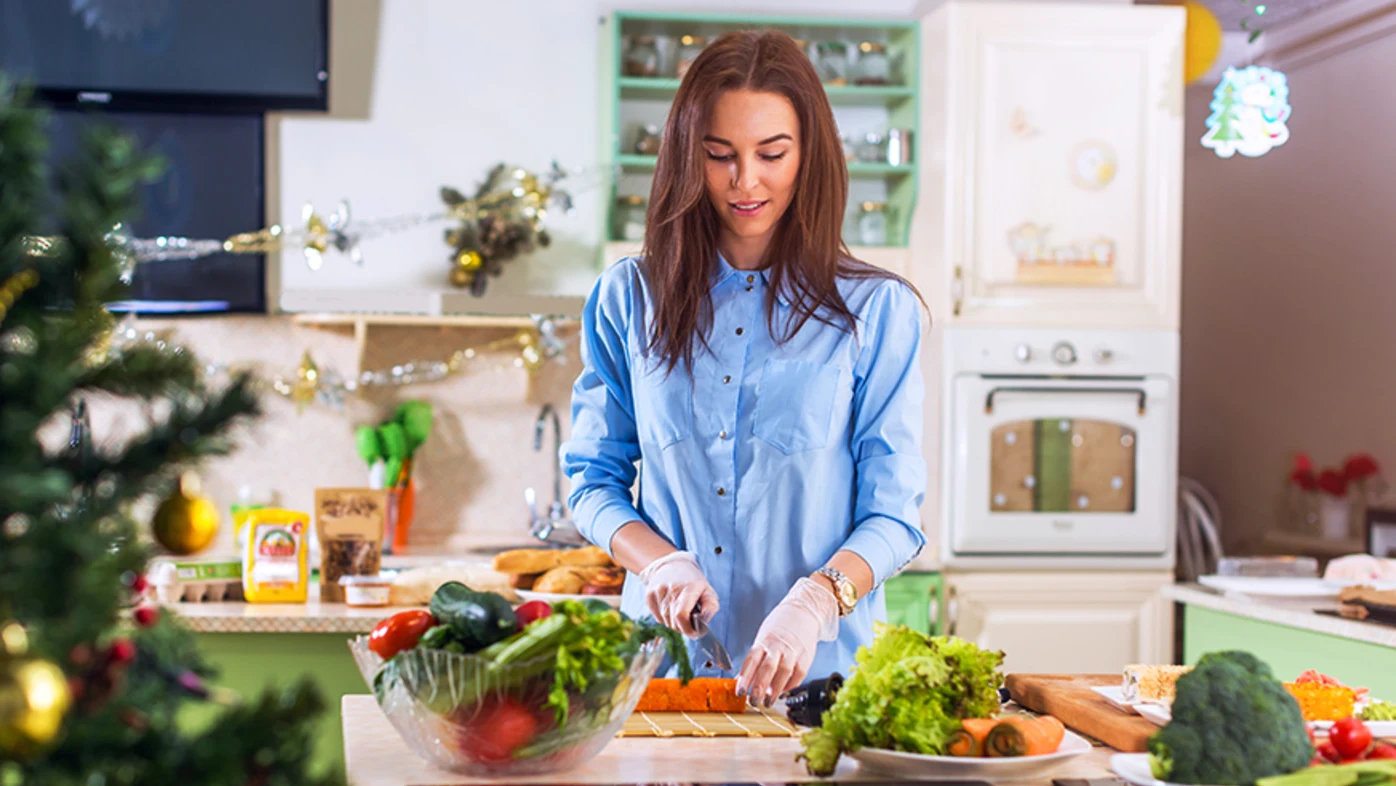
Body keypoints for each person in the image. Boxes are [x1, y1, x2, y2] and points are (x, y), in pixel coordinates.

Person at [561, 29, 927, 708]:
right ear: (684, 157)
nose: (745, 181)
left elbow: (895, 515)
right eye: (719, 155)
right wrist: (659, 561)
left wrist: (822, 596)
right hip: (660, 683)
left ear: (809, 156)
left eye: (772, 154)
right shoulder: (628, 299)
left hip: (821, 688)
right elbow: (590, 480)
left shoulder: (878, 311)